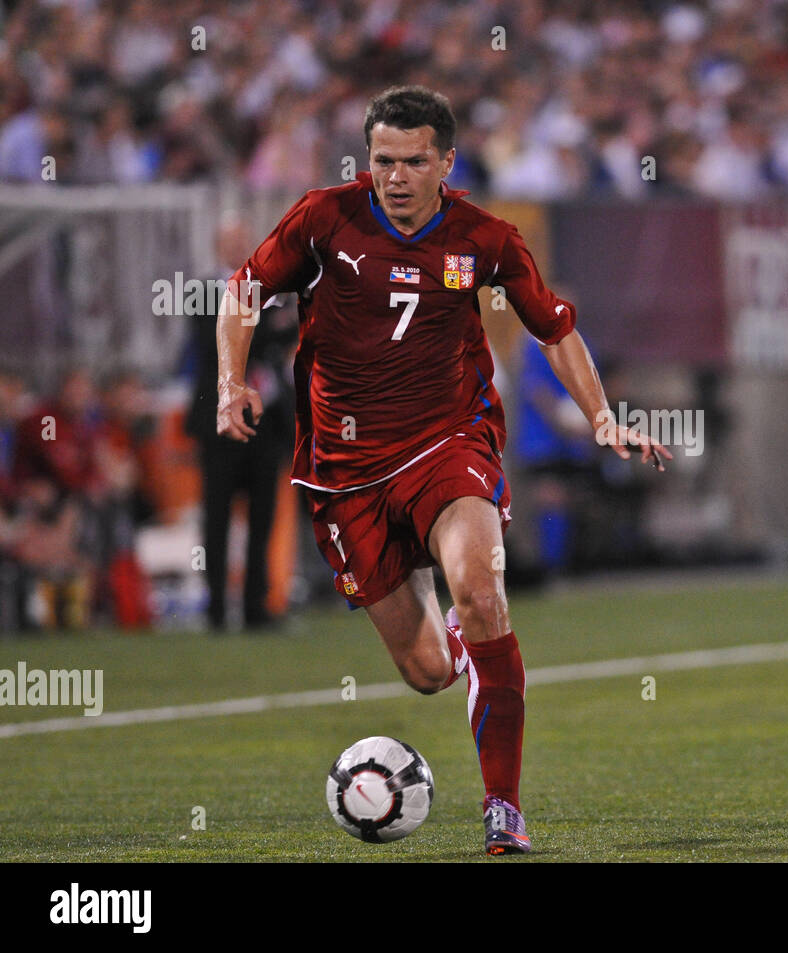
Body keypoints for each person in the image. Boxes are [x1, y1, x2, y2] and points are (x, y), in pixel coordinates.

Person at [215, 86, 669, 855]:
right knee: (427, 672)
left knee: (483, 590)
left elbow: (555, 328)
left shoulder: (485, 238)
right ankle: (467, 644)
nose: (394, 176)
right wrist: (230, 380)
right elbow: (244, 290)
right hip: (343, 470)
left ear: (446, 162)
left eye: (412, 161)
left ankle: (503, 807)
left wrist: (601, 416)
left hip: (445, 444)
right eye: (382, 160)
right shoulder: (325, 219)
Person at [187, 218, 295, 631]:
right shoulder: (202, 291)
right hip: (221, 416)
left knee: (263, 514)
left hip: (265, 419)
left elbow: (286, 333)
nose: (238, 248)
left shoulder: (270, 292)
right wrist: (268, 329)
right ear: (218, 247)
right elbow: (221, 342)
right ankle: (215, 606)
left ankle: (255, 604)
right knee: (216, 514)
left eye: (243, 242)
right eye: (231, 242)